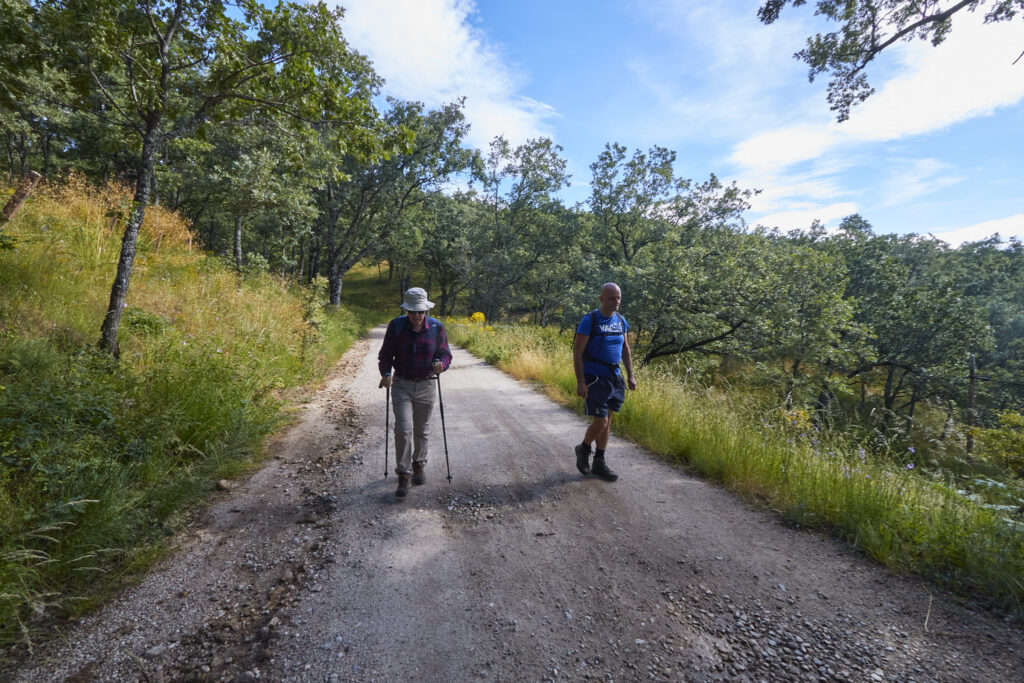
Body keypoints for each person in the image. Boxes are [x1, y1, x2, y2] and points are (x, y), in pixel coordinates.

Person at [377, 287, 453, 498]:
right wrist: (385, 373)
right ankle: (404, 473)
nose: (417, 316)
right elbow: (385, 355)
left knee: (422, 428)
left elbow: (445, 354)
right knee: (403, 428)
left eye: (420, 312)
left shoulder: (436, 328)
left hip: (427, 384)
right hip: (402, 384)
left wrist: (442, 365)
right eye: (412, 312)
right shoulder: (396, 326)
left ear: (426, 311)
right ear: (406, 311)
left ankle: (419, 463)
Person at [572, 282, 637, 481]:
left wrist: (630, 374)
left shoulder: (620, 320)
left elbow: (625, 348)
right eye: (611, 298)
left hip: (614, 377)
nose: (615, 302)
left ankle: (599, 462)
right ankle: (583, 448)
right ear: (601, 298)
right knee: (601, 421)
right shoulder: (590, 320)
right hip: (595, 378)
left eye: (618, 298)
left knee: (607, 422)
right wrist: (581, 382)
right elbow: (577, 352)